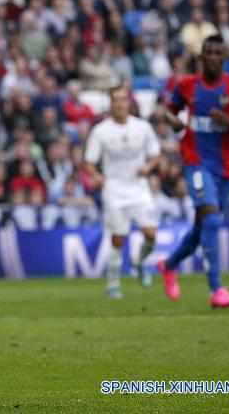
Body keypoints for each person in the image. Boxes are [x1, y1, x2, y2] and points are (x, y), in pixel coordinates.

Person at [158, 35, 229, 308]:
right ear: (201, 57)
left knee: (202, 227)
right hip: (195, 161)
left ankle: (168, 265)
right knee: (212, 221)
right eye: (208, 53)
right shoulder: (186, 85)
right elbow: (168, 110)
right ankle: (216, 289)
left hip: (225, 167)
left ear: (224, 57)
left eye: (218, 53)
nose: (213, 57)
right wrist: (175, 122)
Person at [84, 86, 161, 299]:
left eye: (122, 100)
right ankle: (113, 283)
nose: (119, 104)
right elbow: (89, 161)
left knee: (151, 235)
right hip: (114, 190)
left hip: (138, 188)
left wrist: (148, 167)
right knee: (118, 239)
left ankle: (138, 262)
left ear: (128, 103)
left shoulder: (143, 127)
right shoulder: (101, 131)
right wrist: (97, 176)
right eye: (115, 100)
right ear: (110, 104)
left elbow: (155, 155)